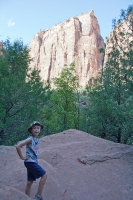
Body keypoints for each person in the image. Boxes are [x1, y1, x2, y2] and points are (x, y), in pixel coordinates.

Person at [16, 121, 47, 200]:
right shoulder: (30, 139)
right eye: (34, 128)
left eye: (38, 128)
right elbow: (18, 146)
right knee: (44, 175)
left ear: (40, 130)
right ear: (31, 130)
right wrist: (22, 157)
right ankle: (38, 196)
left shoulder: (36, 139)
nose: (36, 130)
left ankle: (26, 197)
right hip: (30, 162)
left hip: (32, 162)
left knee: (30, 182)